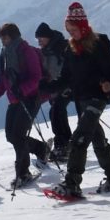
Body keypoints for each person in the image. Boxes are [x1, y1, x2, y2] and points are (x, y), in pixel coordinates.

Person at [41, 2, 110, 197]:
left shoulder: (98, 45)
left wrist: (109, 84)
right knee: (98, 140)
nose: (72, 33)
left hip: (97, 98)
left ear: (84, 27)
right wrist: (46, 87)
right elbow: (66, 78)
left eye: (75, 29)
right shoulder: (71, 50)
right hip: (82, 100)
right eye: (69, 29)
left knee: (79, 138)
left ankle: (72, 183)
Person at [0, 23, 51, 187]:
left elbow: (36, 77)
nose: (3, 41)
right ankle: (41, 149)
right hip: (15, 100)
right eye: (1, 39)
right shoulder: (5, 56)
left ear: (13, 36)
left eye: (5, 38)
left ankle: (23, 173)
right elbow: (3, 83)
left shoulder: (26, 51)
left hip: (31, 98)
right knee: (11, 136)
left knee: (17, 135)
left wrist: (22, 90)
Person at [35, 22, 72, 161]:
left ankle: (62, 145)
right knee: (57, 112)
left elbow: (67, 68)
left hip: (67, 85)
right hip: (55, 88)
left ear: (48, 37)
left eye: (41, 38)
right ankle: (66, 144)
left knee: (56, 111)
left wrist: (67, 85)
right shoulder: (46, 51)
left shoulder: (61, 47)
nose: (39, 42)